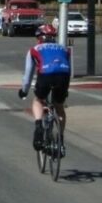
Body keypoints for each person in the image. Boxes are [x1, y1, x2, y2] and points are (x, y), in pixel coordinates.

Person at [18, 23, 71, 151]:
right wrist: (66, 90)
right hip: (63, 76)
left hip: (46, 75)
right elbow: (68, 70)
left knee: (38, 100)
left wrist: (24, 91)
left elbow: (28, 75)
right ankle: (60, 140)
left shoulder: (34, 49)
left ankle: (38, 127)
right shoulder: (64, 49)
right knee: (59, 106)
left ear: (40, 38)